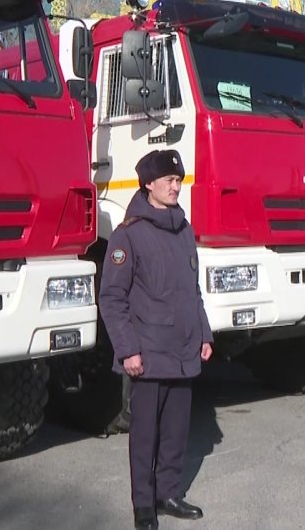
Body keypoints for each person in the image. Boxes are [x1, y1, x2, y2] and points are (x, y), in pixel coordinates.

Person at [99, 149, 214, 530]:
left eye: (178, 180)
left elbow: (192, 289)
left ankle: (169, 494)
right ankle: (143, 506)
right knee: (145, 435)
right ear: (148, 184)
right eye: (168, 181)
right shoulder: (128, 235)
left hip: (183, 350)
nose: (175, 187)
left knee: (177, 431)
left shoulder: (184, 230)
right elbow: (112, 299)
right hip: (147, 353)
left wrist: (204, 334)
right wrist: (127, 349)